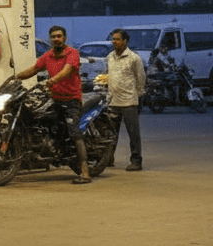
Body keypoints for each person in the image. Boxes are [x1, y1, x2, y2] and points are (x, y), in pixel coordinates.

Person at [16, 25, 90, 184]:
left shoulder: (73, 53)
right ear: (50, 39)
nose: (56, 39)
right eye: (53, 37)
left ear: (64, 38)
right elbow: (34, 69)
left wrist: (53, 80)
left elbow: (67, 70)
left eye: (59, 36)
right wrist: (15, 78)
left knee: (74, 132)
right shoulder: (48, 56)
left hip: (72, 99)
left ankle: (84, 171)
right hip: (55, 98)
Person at [107, 28, 147, 171]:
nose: (114, 42)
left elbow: (140, 79)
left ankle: (136, 161)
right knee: (110, 133)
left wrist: (136, 96)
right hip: (113, 101)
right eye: (113, 39)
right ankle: (108, 159)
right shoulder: (110, 57)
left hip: (129, 102)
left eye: (117, 39)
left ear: (125, 41)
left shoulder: (134, 58)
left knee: (133, 134)